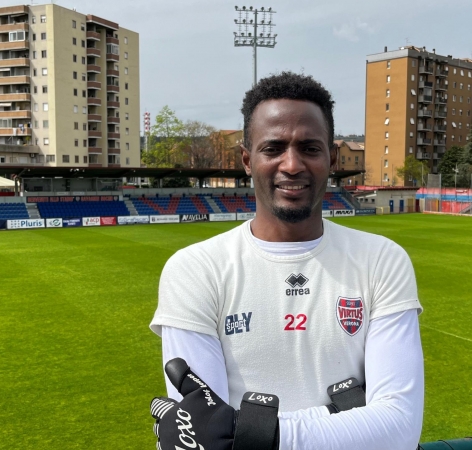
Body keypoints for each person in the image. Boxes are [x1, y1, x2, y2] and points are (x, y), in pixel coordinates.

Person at [150, 72, 424, 450]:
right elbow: (205, 434)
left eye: (310, 148)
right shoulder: (194, 270)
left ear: (330, 158)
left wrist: (261, 433)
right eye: (273, 148)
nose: (292, 164)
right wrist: (341, 416)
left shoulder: (382, 260)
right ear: (247, 160)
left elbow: (399, 427)